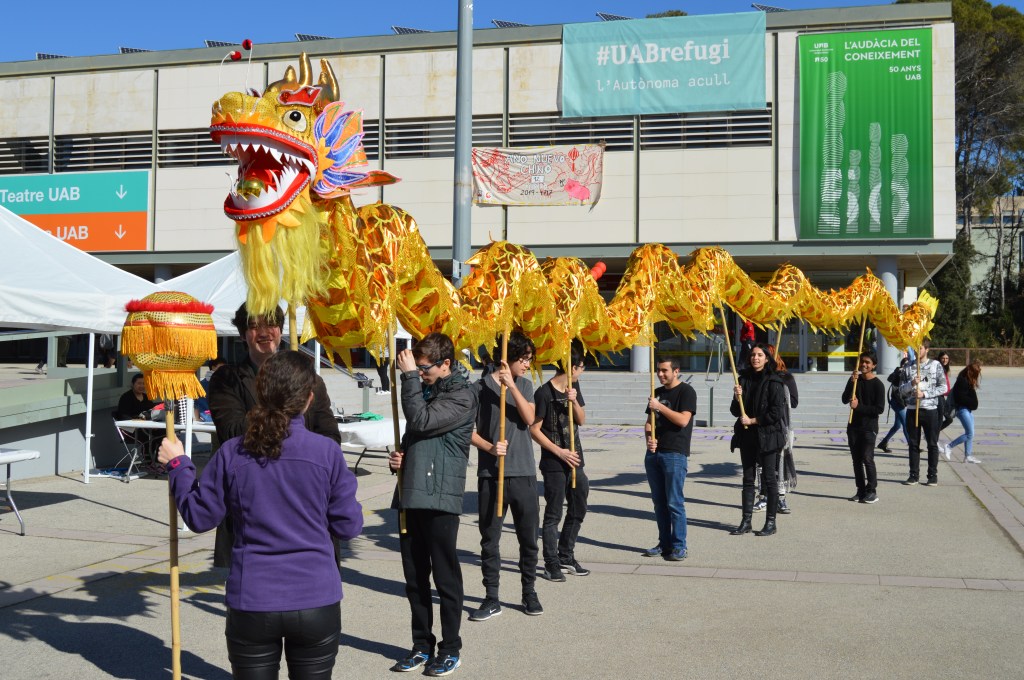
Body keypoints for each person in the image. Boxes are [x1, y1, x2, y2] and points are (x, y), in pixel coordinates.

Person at [157, 351, 363, 680]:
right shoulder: (326, 453)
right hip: (316, 597)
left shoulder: (232, 452)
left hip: (253, 598)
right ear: (309, 399)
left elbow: (198, 516)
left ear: (261, 394)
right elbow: (349, 524)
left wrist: (180, 466)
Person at [207, 303, 342, 568]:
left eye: (270, 324)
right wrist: (284, 402)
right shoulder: (227, 379)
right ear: (243, 333)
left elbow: (330, 438)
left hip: (306, 504)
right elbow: (231, 433)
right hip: (253, 505)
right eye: (254, 326)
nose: (263, 332)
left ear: (281, 330)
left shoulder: (311, 381)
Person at [388, 333, 477, 677]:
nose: (420, 372)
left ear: (446, 365)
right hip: (411, 494)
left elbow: (422, 421)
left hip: (440, 498)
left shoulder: (462, 396)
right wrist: (400, 459)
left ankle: (451, 647)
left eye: (425, 368)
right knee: (414, 579)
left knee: (445, 577)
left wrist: (409, 377)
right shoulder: (422, 391)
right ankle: (421, 645)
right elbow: (416, 436)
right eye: (418, 368)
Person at [469, 331, 542, 620]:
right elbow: (467, 431)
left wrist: (511, 385)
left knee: (528, 538)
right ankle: (491, 596)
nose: (527, 364)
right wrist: (489, 446)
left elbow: (529, 418)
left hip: (523, 472)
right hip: (491, 474)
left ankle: (529, 592)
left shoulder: (524, 385)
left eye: (528, 360)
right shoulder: (478, 388)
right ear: (506, 358)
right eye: (523, 359)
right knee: (490, 539)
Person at [530, 342, 590, 581]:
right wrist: (560, 452)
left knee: (579, 506)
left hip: (576, 460)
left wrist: (574, 401)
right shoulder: (543, 392)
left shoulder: (574, 387)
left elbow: (582, 420)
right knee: (553, 513)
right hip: (554, 462)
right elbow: (534, 430)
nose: (582, 372)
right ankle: (551, 562)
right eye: (582, 367)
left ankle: (566, 554)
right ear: (573, 367)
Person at [729, 343, 788, 537]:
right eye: (753, 355)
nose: (755, 358)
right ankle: (746, 521)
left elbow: (776, 413)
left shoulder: (774, 381)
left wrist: (754, 420)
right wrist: (737, 397)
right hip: (747, 436)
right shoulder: (743, 379)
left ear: (767, 359)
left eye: (760, 355)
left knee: (769, 479)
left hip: (769, 436)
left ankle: (770, 522)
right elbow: (735, 411)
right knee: (748, 479)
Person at [642, 356, 697, 560]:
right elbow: (649, 423)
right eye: (658, 370)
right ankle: (663, 543)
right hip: (654, 453)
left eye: (665, 370)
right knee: (659, 502)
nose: (660, 374)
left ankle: (679, 545)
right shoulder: (656, 393)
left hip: (675, 452)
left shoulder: (686, 391)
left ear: (676, 371)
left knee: (674, 502)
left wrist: (660, 407)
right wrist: (649, 439)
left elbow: (683, 420)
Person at [753, 345, 798, 515]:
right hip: (760, 426)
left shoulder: (785, 378)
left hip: (781, 425)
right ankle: (763, 496)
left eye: (763, 355)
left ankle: (780, 497)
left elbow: (793, 402)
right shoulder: (758, 377)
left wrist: (778, 391)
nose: (758, 359)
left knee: (778, 463)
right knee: (761, 464)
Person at [898, 341, 946, 486]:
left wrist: (924, 394)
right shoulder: (908, 366)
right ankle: (913, 475)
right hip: (913, 410)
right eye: (915, 348)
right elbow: (900, 390)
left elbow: (943, 387)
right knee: (913, 443)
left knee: (932, 444)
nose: (917, 351)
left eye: (920, 348)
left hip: (930, 410)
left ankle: (932, 475)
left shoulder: (935, 365)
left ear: (927, 349)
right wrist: (911, 384)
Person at [841, 352, 886, 503]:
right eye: (862, 362)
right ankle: (860, 490)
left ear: (874, 365)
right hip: (853, 426)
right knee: (856, 460)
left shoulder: (878, 385)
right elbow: (843, 399)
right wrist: (850, 381)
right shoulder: (855, 380)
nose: (863, 365)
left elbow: (879, 409)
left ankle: (872, 490)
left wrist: (858, 406)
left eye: (867, 362)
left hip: (869, 427)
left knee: (867, 458)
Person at [944, 361, 982, 464]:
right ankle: (949, 446)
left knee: (970, 433)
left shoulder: (968, 381)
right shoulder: (962, 381)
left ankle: (967, 456)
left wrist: (973, 404)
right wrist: (972, 403)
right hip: (962, 410)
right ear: (971, 372)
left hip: (968, 409)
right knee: (969, 433)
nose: (977, 376)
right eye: (976, 373)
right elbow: (960, 398)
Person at [877, 349, 912, 453]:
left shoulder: (908, 375)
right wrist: (898, 371)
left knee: (897, 425)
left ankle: (883, 443)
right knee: (905, 423)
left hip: (902, 402)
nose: (907, 366)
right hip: (896, 402)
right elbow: (889, 379)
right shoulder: (898, 372)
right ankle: (912, 446)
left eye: (908, 364)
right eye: (905, 364)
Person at [195, 357, 226, 422]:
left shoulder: (224, 382)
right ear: (213, 367)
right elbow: (196, 403)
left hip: (207, 417)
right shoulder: (203, 384)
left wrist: (197, 418)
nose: (223, 370)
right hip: (208, 418)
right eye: (221, 367)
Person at [936, 351, 954, 430]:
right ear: (939, 358)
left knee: (945, 419)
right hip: (938, 396)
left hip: (942, 396)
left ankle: (933, 436)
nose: (945, 360)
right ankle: (933, 437)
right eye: (943, 358)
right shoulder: (939, 368)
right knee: (942, 419)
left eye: (947, 358)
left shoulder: (944, 368)